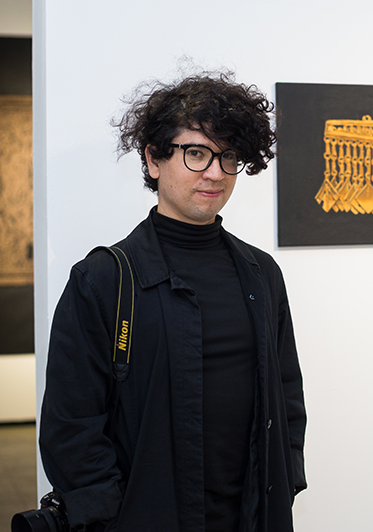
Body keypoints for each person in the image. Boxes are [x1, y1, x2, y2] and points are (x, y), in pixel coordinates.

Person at [39, 71, 307, 532]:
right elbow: (71, 426)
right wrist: (113, 514)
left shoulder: (262, 273)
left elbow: (286, 395)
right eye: (196, 153)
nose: (215, 173)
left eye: (228, 156)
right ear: (154, 159)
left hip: (254, 517)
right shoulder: (102, 280)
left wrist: (287, 477)